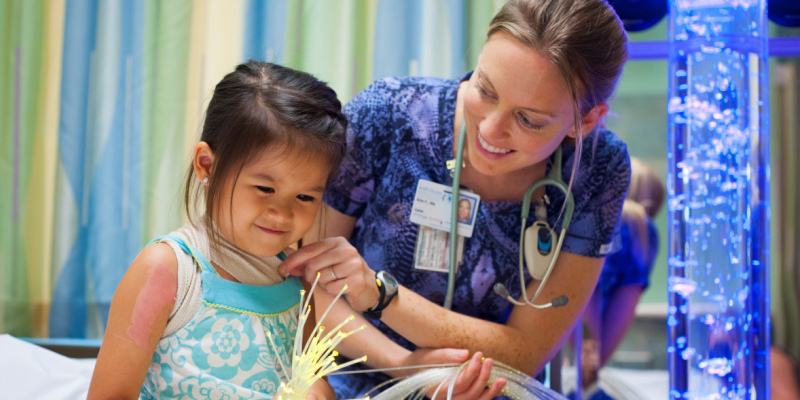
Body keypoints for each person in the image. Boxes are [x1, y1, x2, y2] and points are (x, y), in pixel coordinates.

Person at [279, 0, 632, 398]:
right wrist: (403, 365)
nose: (490, 129)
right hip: (345, 376)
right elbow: (307, 284)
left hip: (488, 388)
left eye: (528, 120)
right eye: (485, 89)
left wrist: (380, 295)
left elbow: (526, 352)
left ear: (586, 121)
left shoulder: (598, 169)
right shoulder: (391, 115)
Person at [577, 157, 665, 395]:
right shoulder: (639, 226)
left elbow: (584, 286)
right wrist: (589, 369)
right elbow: (612, 303)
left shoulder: (584, 213)